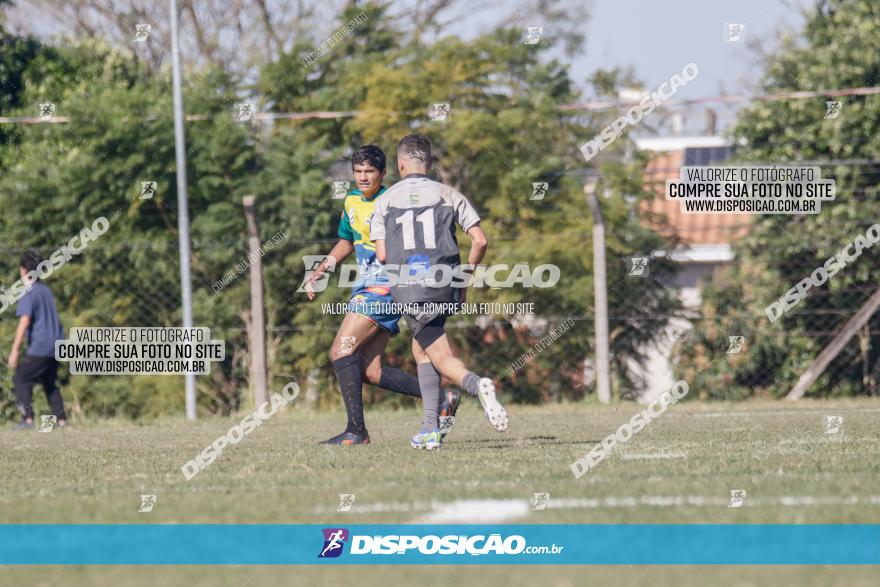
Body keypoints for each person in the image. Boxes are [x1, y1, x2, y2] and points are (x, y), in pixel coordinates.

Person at [302, 145, 461, 445]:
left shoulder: (392, 202)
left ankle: (356, 431)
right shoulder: (350, 201)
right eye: (358, 172)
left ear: (383, 174)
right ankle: (443, 399)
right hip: (365, 285)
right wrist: (322, 268)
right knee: (371, 371)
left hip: (386, 288)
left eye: (370, 172)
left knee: (340, 351)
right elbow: (346, 241)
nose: (363, 178)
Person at [371, 134, 508, 450]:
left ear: (400, 164)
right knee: (423, 350)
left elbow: (380, 255)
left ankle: (477, 385)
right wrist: (464, 280)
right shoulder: (449, 194)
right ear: (428, 164)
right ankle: (429, 428)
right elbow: (480, 240)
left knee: (440, 354)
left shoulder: (386, 200)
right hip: (445, 281)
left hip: (411, 286)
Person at [8, 251, 67, 430]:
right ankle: (62, 421)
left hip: (40, 346)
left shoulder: (29, 292)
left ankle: (27, 419)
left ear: (23, 271)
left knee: (21, 379)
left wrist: (15, 350)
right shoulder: (46, 290)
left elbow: (24, 321)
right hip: (55, 345)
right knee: (49, 382)